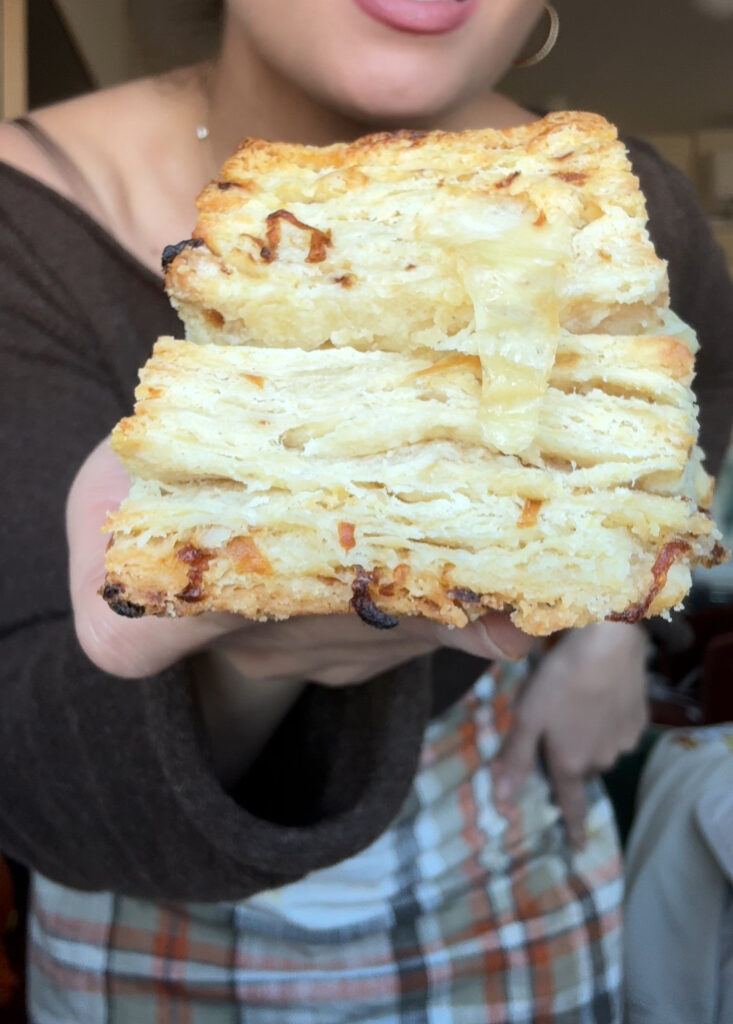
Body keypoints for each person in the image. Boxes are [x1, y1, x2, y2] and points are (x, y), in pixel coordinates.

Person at [0, 1, 731, 1020]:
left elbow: (689, 430)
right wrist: (239, 658)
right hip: (142, 927)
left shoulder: (625, 200)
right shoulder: (18, 225)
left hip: (515, 860)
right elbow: (31, 782)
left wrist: (609, 646)